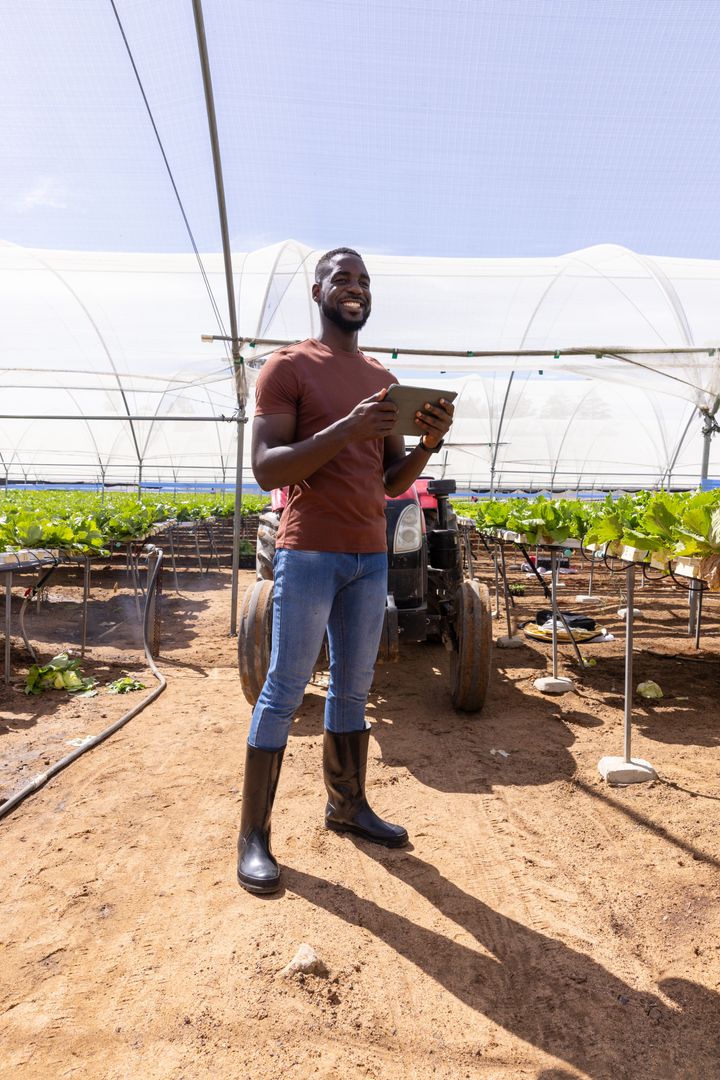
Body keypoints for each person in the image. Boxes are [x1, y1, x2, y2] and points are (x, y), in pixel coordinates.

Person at [237, 247, 454, 894]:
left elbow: (391, 483)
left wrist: (427, 446)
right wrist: (346, 427)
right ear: (318, 291)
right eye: (343, 278)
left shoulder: (381, 377)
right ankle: (254, 836)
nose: (354, 288)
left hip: (369, 556)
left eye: (363, 280)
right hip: (308, 552)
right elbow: (268, 468)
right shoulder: (288, 367)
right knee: (283, 688)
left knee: (352, 690)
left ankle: (347, 806)